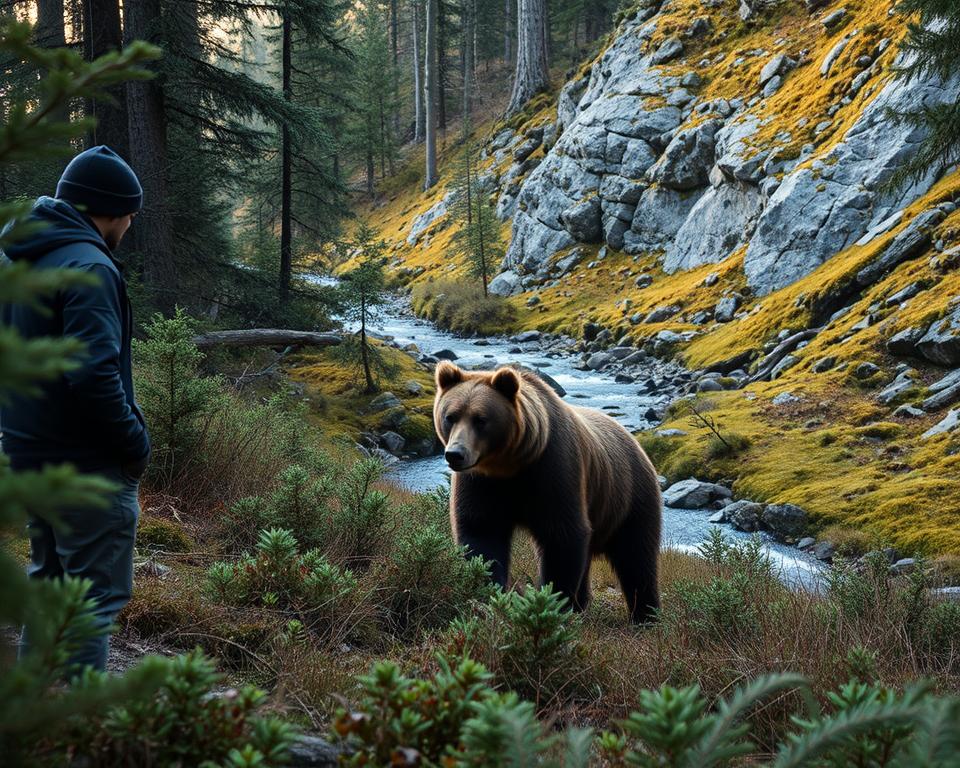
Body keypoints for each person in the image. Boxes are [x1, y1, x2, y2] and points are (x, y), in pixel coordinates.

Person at [1, 145, 151, 672]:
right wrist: (134, 444)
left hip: (28, 456)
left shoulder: (18, 257)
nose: (130, 223)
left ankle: (35, 710)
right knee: (91, 604)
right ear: (109, 210)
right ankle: (84, 717)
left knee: (48, 590)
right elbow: (93, 375)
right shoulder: (90, 267)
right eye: (129, 213)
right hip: (87, 467)